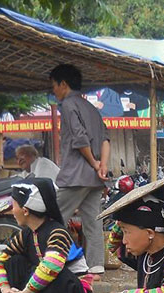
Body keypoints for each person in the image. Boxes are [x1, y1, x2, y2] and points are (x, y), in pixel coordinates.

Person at [0, 178, 94, 293]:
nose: (11, 211)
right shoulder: (26, 235)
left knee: (53, 271)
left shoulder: (58, 232)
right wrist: (6, 289)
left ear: (25, 211)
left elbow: (51, 267)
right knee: (13, 262)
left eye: (13, 205)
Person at [49, 64, 110, 276]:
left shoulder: (67, 105)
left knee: (52, 218)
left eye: (54, 86)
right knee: (93, 223)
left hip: (75, 175)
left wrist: (94, 163)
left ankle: (48, 262)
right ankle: (96, 266)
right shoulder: (92, 108)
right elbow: (105, 139)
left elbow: (80, 138)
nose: (53, 91)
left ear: (63, 84)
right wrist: (102, 166)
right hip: (94, 179)